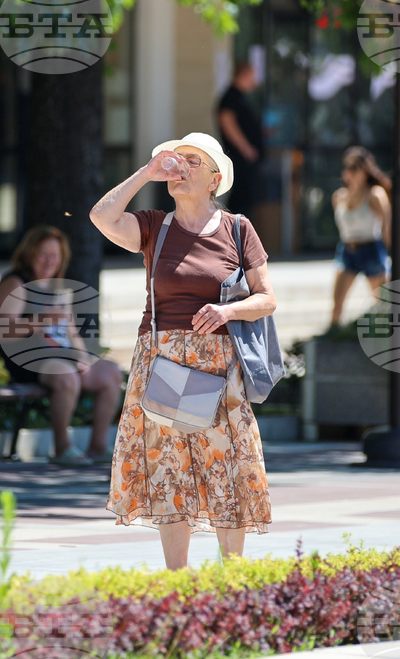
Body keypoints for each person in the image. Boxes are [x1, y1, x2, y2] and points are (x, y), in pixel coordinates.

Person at [90, 131, 273, 570]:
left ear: (214, 178)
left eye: (194, 161)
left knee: (230, 465)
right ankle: (178, 580)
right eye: (177, 159)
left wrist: (228, 312)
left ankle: (233, 576)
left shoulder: (237, 228)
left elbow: (266, 298)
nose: (181, 167)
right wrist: (148, 172)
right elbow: (102, 216)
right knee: (169, 470)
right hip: (163, 360)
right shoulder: (155, 225)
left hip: (220, 364)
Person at [0, 226, 124, 467]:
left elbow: (70, 332)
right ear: (30, 253)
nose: (50, 261)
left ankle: (98, 446)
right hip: (27, 359)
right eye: (43, 254)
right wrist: (39, 321)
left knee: (111, 372)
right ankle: (62, 447)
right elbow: (4, 332)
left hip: (62, 356)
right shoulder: (15, 283)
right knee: (67, 377)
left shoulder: (57, 288)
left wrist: (83, 357)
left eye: (55, 255)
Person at [329, 146, 392, 328]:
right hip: (347, 249)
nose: (349, 172)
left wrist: (391, 256)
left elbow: (387, 228)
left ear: (365, 170)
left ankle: (388, 338)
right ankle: (334, 337)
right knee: (337, 305)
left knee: (383, 303)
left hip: (371, 248)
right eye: (346, 167)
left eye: (354, 167)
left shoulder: (375, 195)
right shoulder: (339, 197)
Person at [217, 62, 264, 219]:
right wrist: (245, 148)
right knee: (240, 201)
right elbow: (226, 120)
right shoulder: (231, 96)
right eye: (253, 75)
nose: (255, 80)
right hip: (239, 160)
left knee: (247, 200)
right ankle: (232, 237)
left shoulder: (242, 97)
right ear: (244, 74)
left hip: (247, 162)